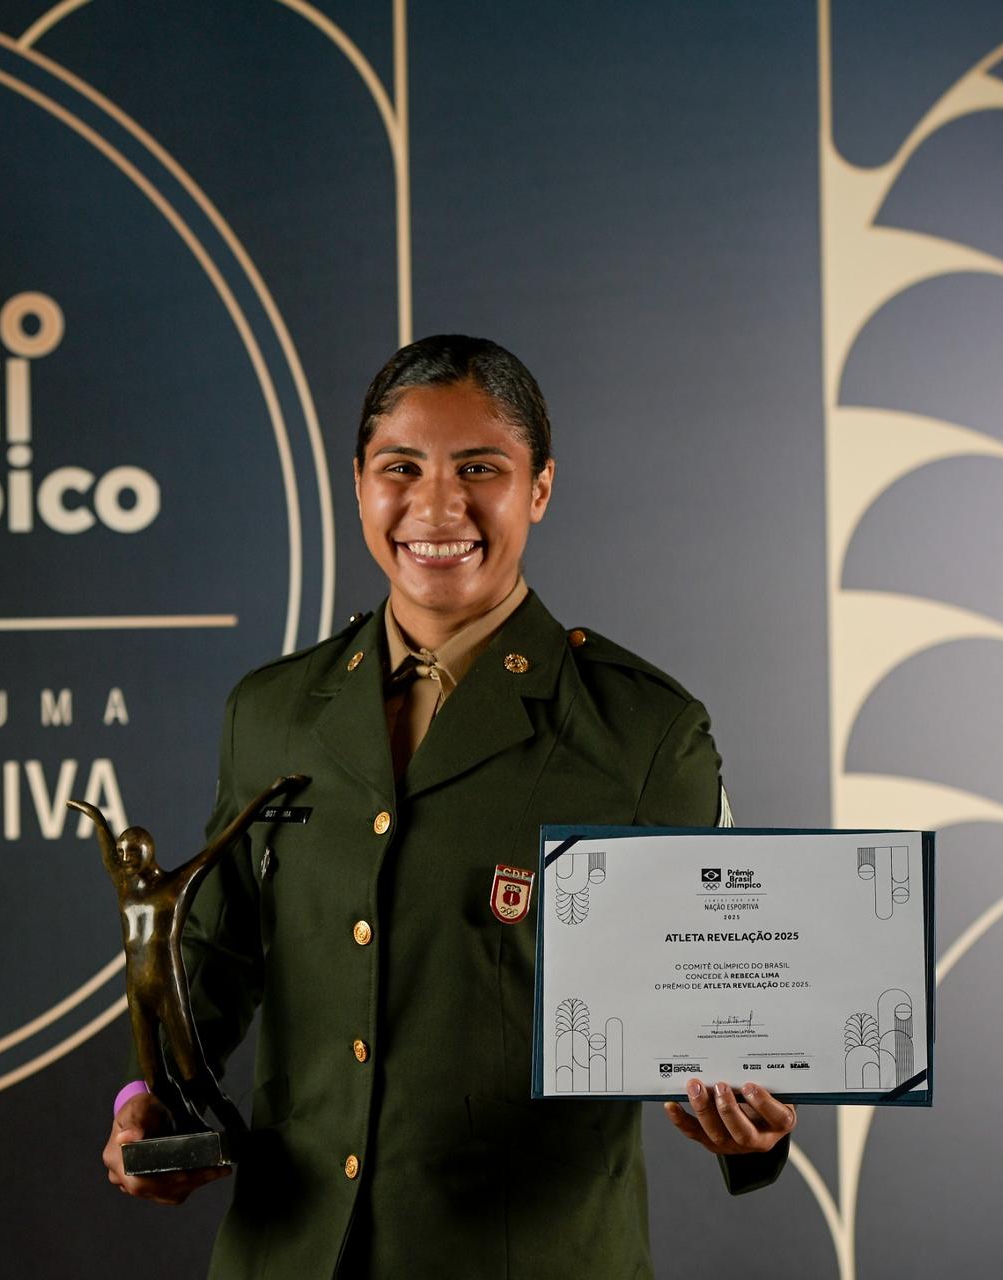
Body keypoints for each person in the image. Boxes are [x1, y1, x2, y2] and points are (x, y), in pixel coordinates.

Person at [100, 336, 794, 1277]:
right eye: (401, 469)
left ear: (539, 488)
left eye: (479, 469)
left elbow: (736, 998)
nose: (436, 507)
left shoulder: (641, 732)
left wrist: (754, 1123)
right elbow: (213, 956)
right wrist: (147, 1099)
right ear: (358, 485)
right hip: (293, 1251)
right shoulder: (270, 713)